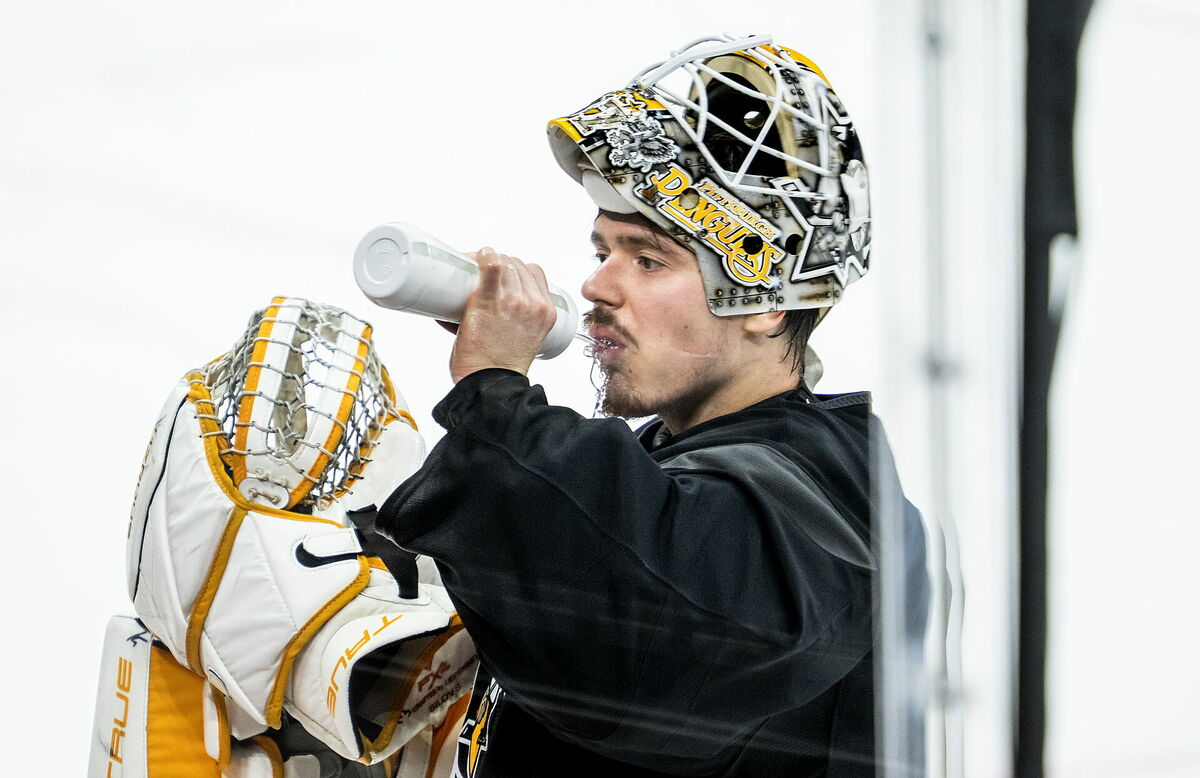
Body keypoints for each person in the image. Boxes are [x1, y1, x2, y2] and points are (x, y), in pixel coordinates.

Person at [376, 34, 926, 777]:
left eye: (647, 258)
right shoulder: (680, 471)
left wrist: (494, 396)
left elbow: (644, 637)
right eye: (602, 251)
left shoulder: (831, 501)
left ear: (764, 300)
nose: (598, 286)